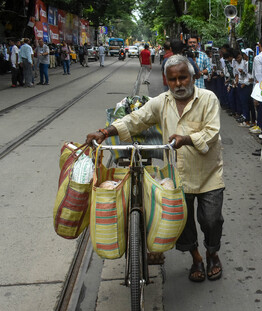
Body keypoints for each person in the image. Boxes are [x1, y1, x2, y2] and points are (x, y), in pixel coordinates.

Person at [86, 54, 225, 283]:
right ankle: (196, 258)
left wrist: (186, 139)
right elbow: (136, 119)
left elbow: (211, 133)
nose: (178, 84)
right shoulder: (161, 101)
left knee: (212, 220)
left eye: (183, 77)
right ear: (166, 80)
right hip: (178, 175)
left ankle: (212, 253)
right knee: (185, 221)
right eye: (173, 79)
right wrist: (104, 132)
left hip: (209, 173)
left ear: (192, 77)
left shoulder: (208, 98)